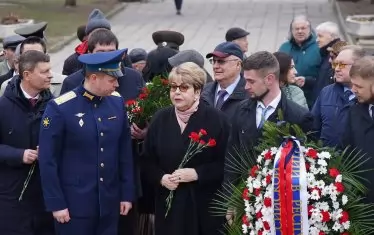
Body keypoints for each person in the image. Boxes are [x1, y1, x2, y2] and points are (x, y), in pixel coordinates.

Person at [38, 49, 135, 235]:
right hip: (74, 206)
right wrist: (56, 202)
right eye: (112, 79)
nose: (117, 84)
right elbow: (48, 159)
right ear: (93, 78)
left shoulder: (116, 103)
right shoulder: (60, 108)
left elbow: (124, 153)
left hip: (108, 203)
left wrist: (126, 194)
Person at [224, 51, 314, 223]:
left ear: (270, 79)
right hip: (245, 201)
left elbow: (306, 166)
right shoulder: (241, 111)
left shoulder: (299, 116)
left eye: (251, 81)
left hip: (282, 207)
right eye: (245, 80)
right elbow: (232, 156)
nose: (246, 87)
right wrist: (230, 199)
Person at [143, 62, 230, 235]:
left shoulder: (217, 120)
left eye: (184, 88)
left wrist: (198, 174)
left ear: (197, 91)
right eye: (173, 87)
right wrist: (161, 178)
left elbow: (227, 164)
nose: (176, 92)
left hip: (203, 207)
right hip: (169, 207)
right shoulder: (160, 119)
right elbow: (146, 161)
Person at [0, 50, 55, 235]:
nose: (50, 75)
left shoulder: (55, 106)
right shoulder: (3, 107)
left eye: (50, 70)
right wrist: (19, 154)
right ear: (27, 75)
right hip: (12, 197)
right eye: (44, 71)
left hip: (45, 196)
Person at [60, 28, 144, 102]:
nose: (107, 57)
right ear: (90, 53)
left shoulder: (134, 77)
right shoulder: (72, 82)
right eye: (101, 52)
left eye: (111, 52)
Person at [312, 45, 365, 147]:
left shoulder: (368, 96)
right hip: (327, 159)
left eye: (342, 65)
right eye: (336, 64)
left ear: (358, 66)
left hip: (355, 162)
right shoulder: (326, 92)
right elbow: (313, 128)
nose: (336, 69)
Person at [342, 56, 374, 204]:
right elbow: (347, 152)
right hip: (362, 202)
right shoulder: (354, 111)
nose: (353, 90)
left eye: (359, 86)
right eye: (352, 84)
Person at [278, 15, 321, 108]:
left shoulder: (318, 48)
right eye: (296, 29)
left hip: (313, 98)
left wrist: (307, 81)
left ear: (310, 29)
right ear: (291, 31)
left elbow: (324, 75)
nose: (300, 31)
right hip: (288, 98)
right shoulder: (284, 47)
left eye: (303, 28)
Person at [0, 36, 66, 97]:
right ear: (20, 59)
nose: (33, 59)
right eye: (28, 55)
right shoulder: (7, 86)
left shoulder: (64, 82)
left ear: (47, 56)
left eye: (39, 55)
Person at [201, 42, 248, 121]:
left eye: (221, 61)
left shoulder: (249, 94)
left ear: (238, 65)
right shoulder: (204, 91)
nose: (215, 66)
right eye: (213, 61)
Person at [62, 9, 111, 76]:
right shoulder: (72, 61)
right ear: (87, 36)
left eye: (104, 32)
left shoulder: (121, 57)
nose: (100, 36)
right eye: (95, 33)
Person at [312, 22, 342, 103]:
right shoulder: (326, 53)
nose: (317, 40)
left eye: (320, 36)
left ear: (332, 37)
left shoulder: (337, 55)